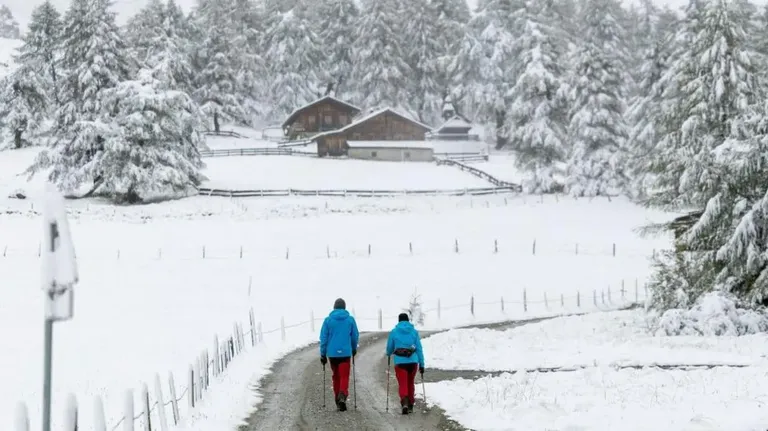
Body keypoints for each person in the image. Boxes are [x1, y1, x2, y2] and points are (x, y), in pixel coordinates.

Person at [319, 298, 359, 411]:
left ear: (334, 307)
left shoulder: (328, 320)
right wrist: (354, 348)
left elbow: (323, 338)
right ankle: (342, 394)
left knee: (336, 376)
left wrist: (323, 354)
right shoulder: (350, 320)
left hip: (332, 354)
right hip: (345, 353)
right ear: (344, 307)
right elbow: (355, 336)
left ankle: (337, 398)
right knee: (344, 375)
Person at [385, 313, 425, 414]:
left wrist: (389, 353)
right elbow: (419, 349)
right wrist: (422, 364)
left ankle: (405, 402)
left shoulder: (394, 332)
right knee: (410, 382)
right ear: (408, 320)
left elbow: (389, 348)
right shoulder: (414, 332)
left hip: (400, 362)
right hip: (413, 362)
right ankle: (411, 404)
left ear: (399, 321)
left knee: (403, 383)